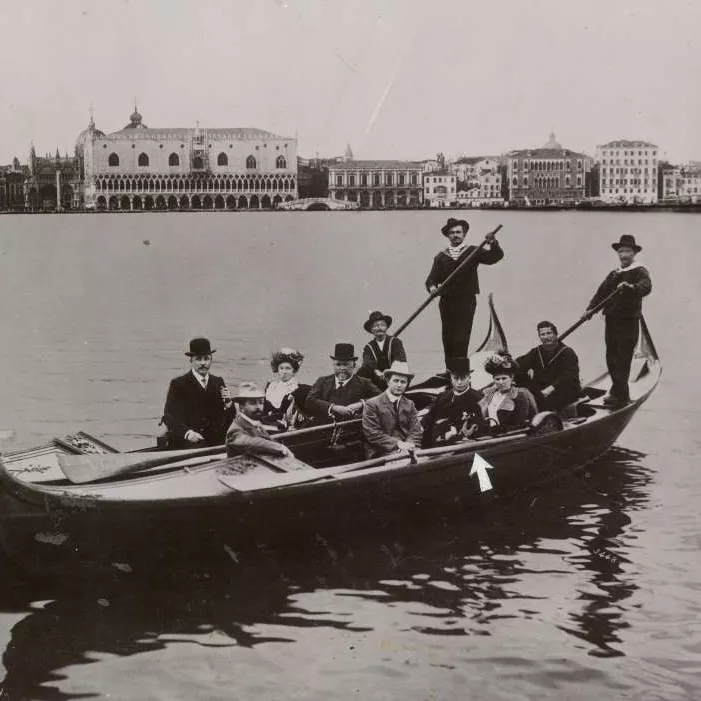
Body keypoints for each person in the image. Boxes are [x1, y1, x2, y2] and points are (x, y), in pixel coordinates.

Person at [582, 234, 652, 409]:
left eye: (627, 251)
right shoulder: (614, 274)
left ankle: (621, 396)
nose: (624, 255)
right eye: (621, 251)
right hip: (612, 321)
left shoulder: (639, 271)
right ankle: (617, 390)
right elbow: (601, 293)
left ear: (634, 253)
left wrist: (631, 288)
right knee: (611, 357)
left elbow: (646, 286)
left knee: (623, 357)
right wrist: (590, 310)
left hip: (628, 322)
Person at [425, 217, 504, 365]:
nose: (455, 235)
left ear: (464, 234)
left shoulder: (473, 251)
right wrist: (433, 288)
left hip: (466, 301)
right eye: (452, 232)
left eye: (458, 232)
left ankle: (460, 372)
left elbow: (495, 257)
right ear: (448, 235)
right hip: (447, 301)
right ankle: (450, 372)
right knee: (448, 337)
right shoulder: (441, 257)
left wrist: (493, 242)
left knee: (461, 337)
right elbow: (431, 280)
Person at [162, 337, 235, 449]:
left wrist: (229, 404)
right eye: (198, 359)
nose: (203, 363)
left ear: (211, 360)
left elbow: (230, 418)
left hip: (215, 442)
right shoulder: (178, 384)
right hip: (187, 443)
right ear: (191, 360)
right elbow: (169, 416)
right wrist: (188, 433)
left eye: (206, 359)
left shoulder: (218, 382)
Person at [515, 320, 582, 413]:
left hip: (562, 390)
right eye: (542, 334)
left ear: (556, 334)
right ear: (539, 337)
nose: (546, 337)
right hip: (542, 391)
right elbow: (519, 364)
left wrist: (550, 389)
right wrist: (505, 362)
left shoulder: (567, 352)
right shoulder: (536, 352)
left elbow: (570, 375)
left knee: (545, 402)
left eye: (549, 333)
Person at [306, 343, 381, 424]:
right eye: (338, 364)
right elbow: (309, 401)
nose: (342, 368)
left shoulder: (364, 383)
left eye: (346, 364)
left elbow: (381, 398)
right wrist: (334, 407)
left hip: (353, 429)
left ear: (354, 365)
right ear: (333, 365)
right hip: (324, 428)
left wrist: (360, 404)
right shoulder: (322, 381)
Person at [362, 362, 423, 458]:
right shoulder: (372, 404)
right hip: (381, 452)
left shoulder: (409, 404)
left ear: (407, 384)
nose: (399, 385)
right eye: (396, 380)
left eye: (403, 382)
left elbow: (416, 430)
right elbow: (373, 434)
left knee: (426, 462)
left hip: (409, 448)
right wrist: (398, 444)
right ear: (388, 381)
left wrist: (409, 445)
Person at [422, 357, 487, 448]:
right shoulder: (442, 396)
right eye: (456, 378)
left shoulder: (478, 399)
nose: (459, 382)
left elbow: (480, 427)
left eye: (463, 378)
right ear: (451, 378)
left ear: (469, 378)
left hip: (462, 447)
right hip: (435, 445)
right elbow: (429, 417)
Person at [226, 382, 293, 458]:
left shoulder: (255, 423)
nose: (258, 407)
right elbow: (249, 442)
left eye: (261, 403)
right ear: (241, 407)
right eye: (253, 403)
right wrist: (280, 447)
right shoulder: (236, 429)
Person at [478, 353, 537, 432]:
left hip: (511, 436)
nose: (501, 382)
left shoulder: (520, 394)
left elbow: (520, 422)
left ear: (511, 377)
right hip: (489, 434)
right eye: (497, 379)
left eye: (504, 378)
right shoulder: (489, 394)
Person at [357, 311, 407, 391]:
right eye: (376, 326)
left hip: (395, 379)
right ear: (371, 330)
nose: (379, 328)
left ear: (386, 327)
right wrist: (376, 372)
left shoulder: (395, 342)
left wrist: (388, 373)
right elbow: (368, 364)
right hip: (377, 383)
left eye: (382, 325)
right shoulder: (368, 347)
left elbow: (400, 359)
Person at [263, 348, 309, 429]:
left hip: (285, 428)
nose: (284, 372)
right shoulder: (271, 387)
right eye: (281, 368)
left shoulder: (299, 389)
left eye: (288, 368)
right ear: (277, 369)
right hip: (266, 424)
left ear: (294, 371)